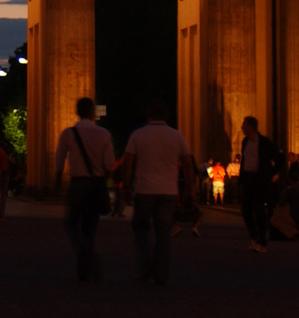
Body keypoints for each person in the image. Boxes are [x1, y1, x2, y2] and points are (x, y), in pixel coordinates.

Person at [119, 100, 194, 286]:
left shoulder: (138, 135)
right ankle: (161, 275)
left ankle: (146, 263)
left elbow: (128, 161)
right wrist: (190, 189)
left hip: (145, 190)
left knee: (140, 229)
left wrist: (126, 186)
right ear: (167, 116)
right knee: (163, 234)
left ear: (148, 115)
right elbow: (187, 163)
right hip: (168, 192)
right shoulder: (177, 136)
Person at [55, 97, 115, 281]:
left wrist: (58, 179)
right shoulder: (104, 134)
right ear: (92, 112)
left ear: (77, 111)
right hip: (96, 184)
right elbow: (110, 164)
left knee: (71, 222)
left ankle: (86, 259)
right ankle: (86, 261)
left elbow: (59, 158)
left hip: (78, 184)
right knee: (90, 226)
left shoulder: (68, 133)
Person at [237, 116, 282, 253]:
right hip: (248, 179)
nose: (242, 127)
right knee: (246, 211)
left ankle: (261, 240)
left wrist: (273, 173)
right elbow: (245, 161)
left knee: (259, 211)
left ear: (251, 126)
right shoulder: (245, 142)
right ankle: (254, 236)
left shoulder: (265, 142)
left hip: (259, 179)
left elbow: (279, 158)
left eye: (244, 125)